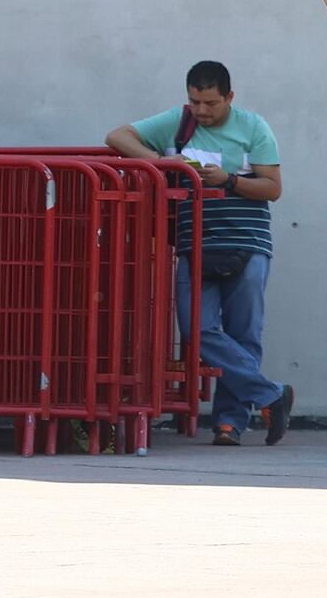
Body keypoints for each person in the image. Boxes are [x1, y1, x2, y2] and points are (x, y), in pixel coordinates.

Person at [105, 60, 293, 447]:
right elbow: (117, 136)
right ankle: (271, 394)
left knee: (245, 333)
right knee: (196, 328)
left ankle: (229, 424)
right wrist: (161, 161)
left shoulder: (253, 127)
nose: (203, 111)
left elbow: (272, 188)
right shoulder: (178, 122)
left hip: (247, 243)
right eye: (195, 102)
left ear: (229, 98)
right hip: (195, 245)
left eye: (211, 103)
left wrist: (229, 180)